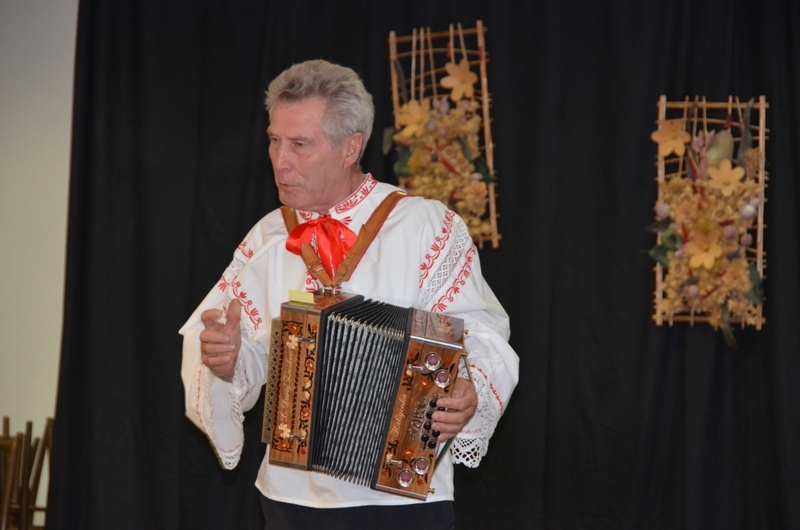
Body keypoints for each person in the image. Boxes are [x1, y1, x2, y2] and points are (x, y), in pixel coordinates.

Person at [180, 59, 518, 529]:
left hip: (401, 501)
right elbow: (250, 362)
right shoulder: (268, 238)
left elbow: (480, 329)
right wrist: (227, 359)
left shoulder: (425, 226)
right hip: (290, 499)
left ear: (350, 148)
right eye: (275, 140)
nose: (280, 160)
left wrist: (471, 387)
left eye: (300, 144)